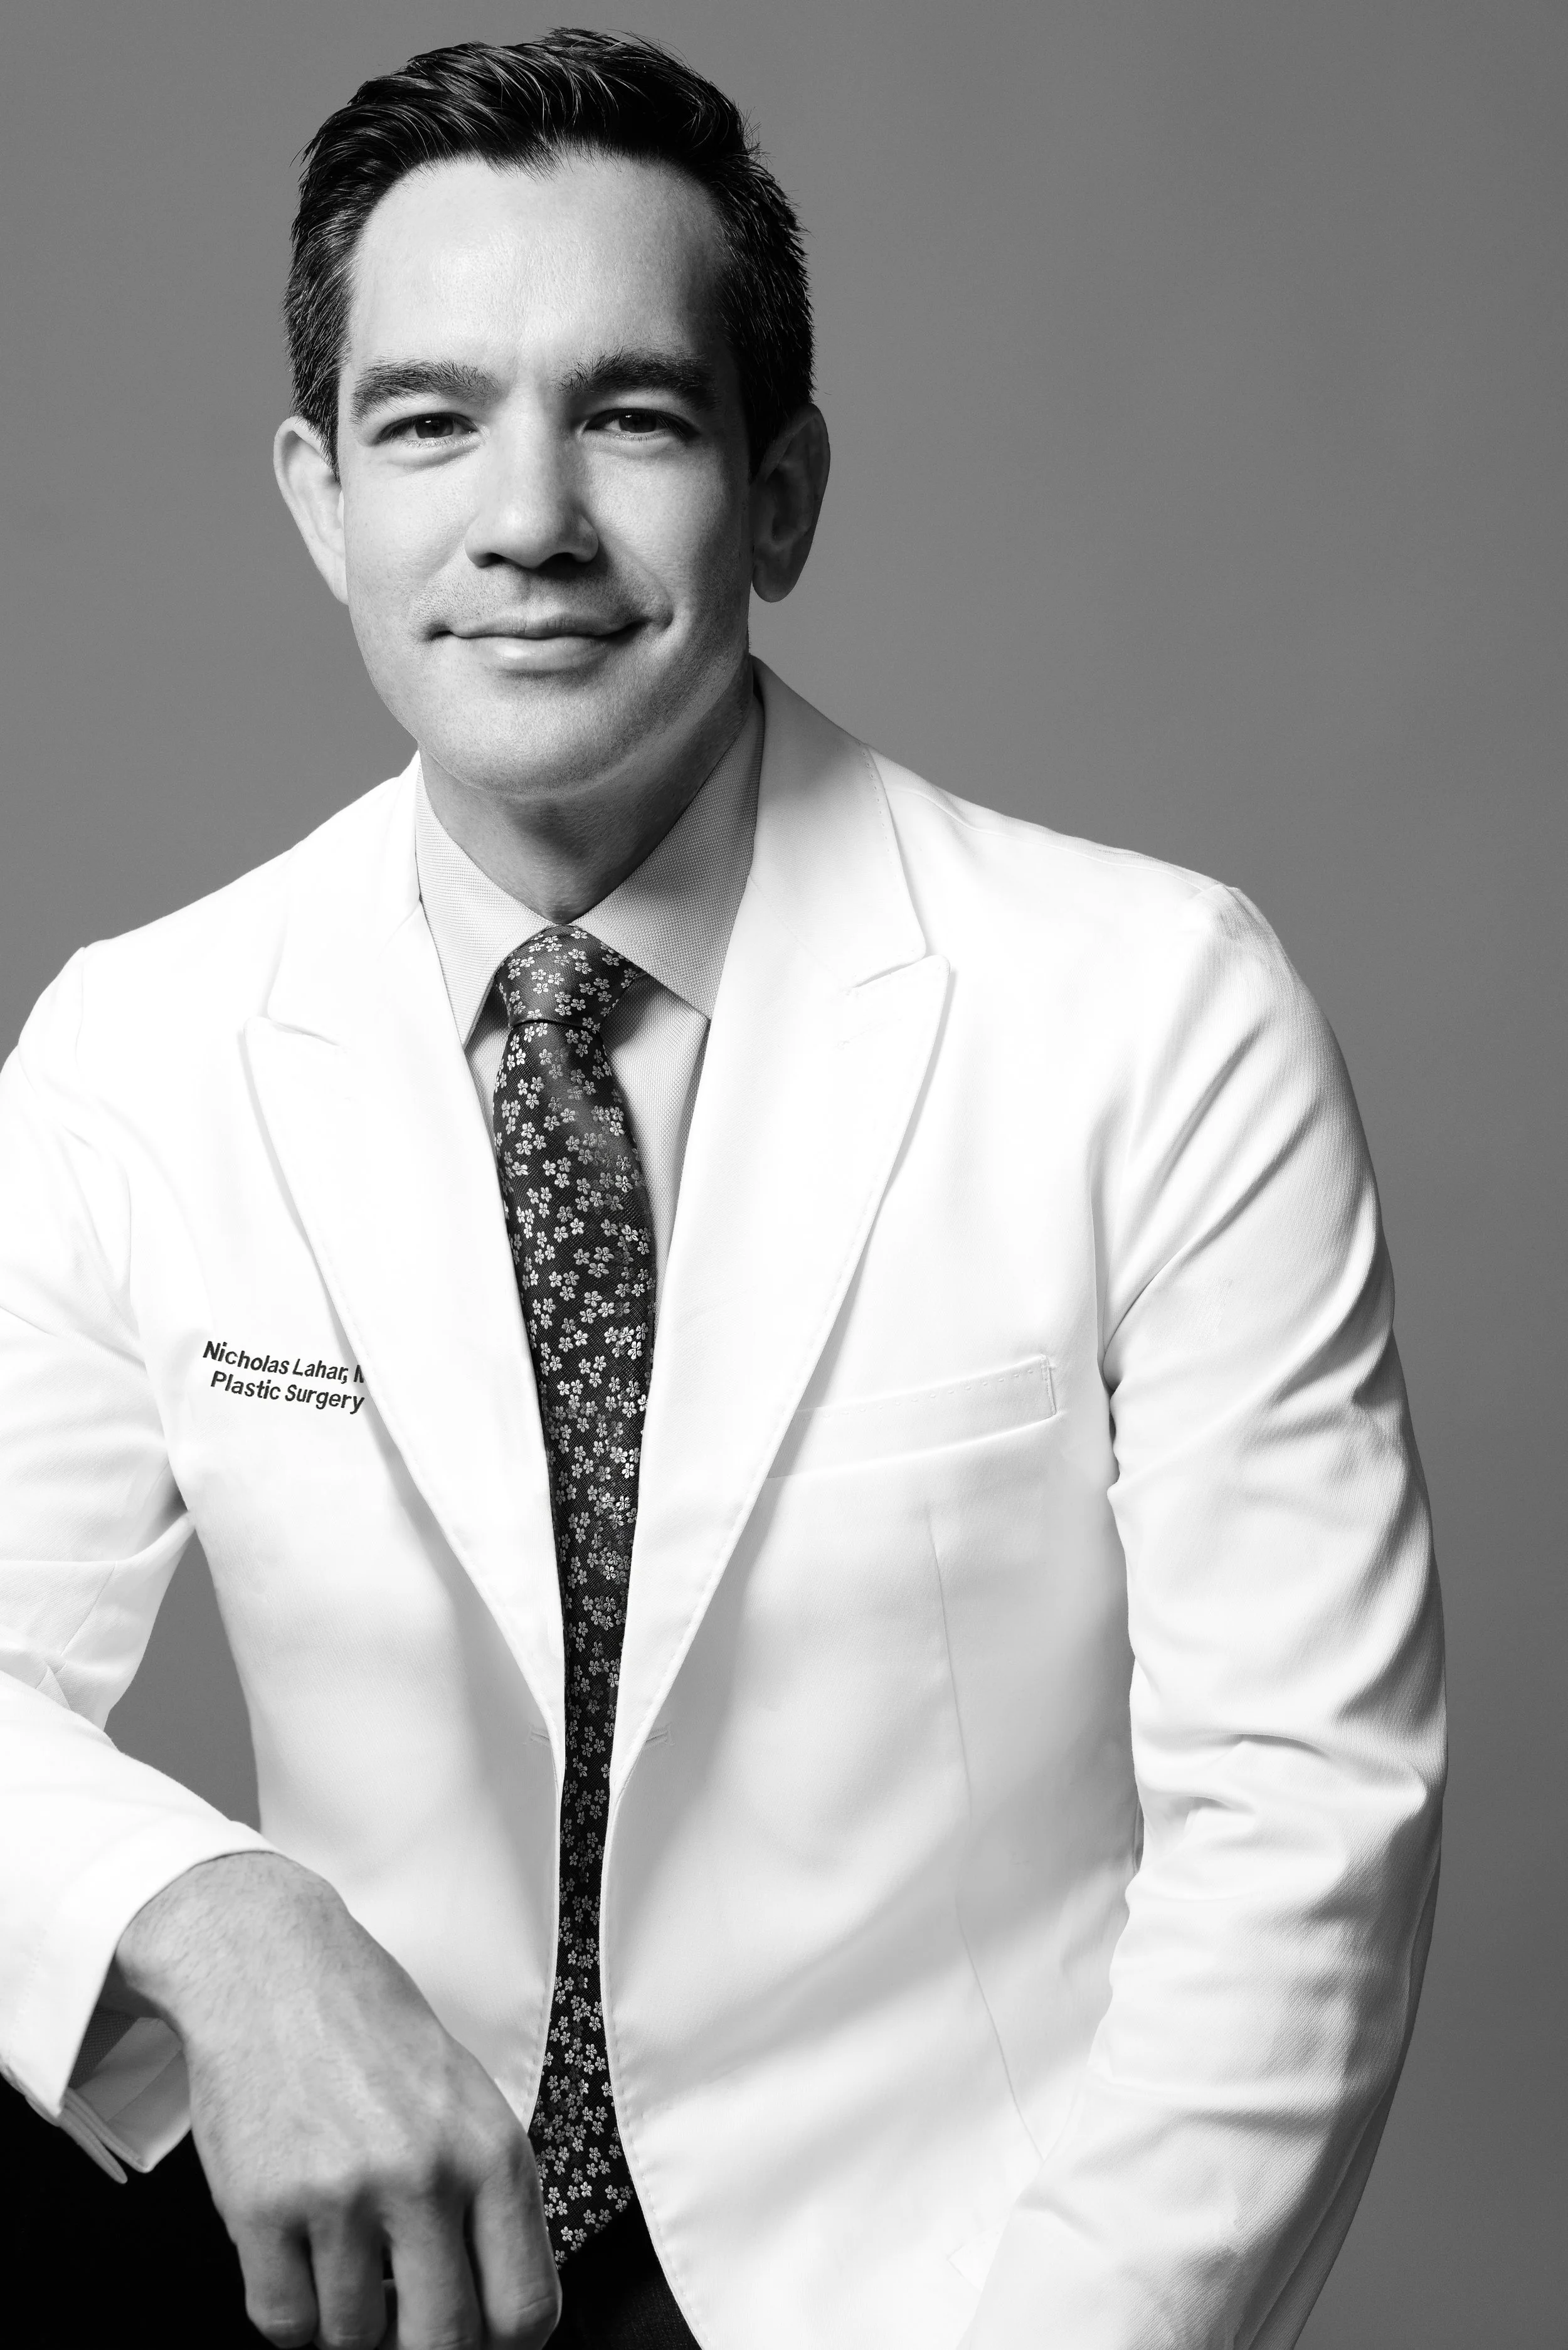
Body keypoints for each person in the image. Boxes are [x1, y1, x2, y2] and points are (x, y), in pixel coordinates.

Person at [0, 31, 1444, 2350]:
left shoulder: (1153, 1007)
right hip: (370, 2266)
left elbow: (1307, 1838)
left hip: (965, 2286)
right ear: (314, 496)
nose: (528, 517)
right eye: (429, 419)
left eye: (636, 416)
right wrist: (221, 1921)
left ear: (779, 495)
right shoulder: (136, 1046)